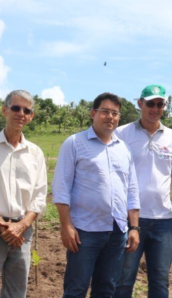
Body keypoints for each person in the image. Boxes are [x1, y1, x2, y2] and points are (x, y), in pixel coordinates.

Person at [52, 92, 140, 298]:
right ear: (93, 113)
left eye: (115, 113)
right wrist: (66, 226)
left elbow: (132, 190)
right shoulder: (74, 143)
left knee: (106, 289)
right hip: (84, 232)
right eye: (105, 112)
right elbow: (61, 188)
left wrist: (134, 227)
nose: (110, 117)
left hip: (117, 231)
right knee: (76, 289)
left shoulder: (123, 149)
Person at [0, 90, 48, 298]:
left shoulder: (35, 153)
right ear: (4, 110)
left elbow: (39, 196)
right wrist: (4, 228)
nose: (21, 113)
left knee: (16, 291)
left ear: (31, 116)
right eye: (15, 108)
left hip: (23, 231)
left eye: (26, 110)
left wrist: (20, 226)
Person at [114, 85, 172, 298]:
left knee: (160, 281)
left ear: (165, 106)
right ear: (140, 104)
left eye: (160, 104)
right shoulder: (122, 133)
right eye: (150, 103)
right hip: (130, 220)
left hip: (163, 221)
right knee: (123, 279)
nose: (155, 108)